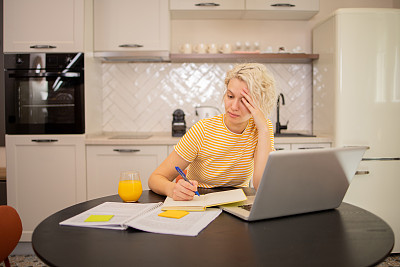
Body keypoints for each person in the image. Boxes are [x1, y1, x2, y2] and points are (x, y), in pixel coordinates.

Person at [148, 63, 277, 200]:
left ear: (259, 103)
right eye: (230, 96)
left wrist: (264, 130)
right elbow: (155, 178)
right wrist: (172, 189)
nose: (233, 107)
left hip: (236, 204)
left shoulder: (261, 129)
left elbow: (261, 185)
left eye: (244, 100)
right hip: (198, 201)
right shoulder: (202, 130)